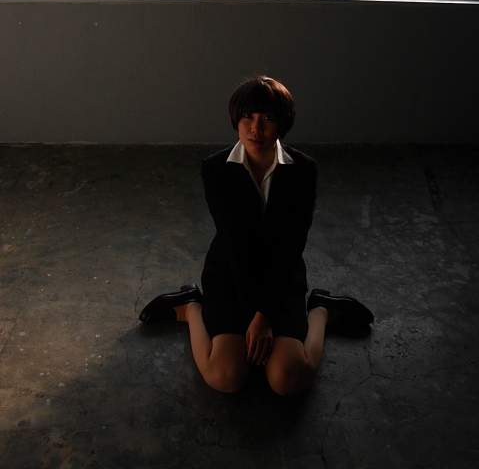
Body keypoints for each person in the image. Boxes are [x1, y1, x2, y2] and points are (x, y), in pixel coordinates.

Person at [139, 76, 373, 395]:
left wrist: (264, 318)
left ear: (281, 124)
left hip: (281, 274)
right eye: (247, 116)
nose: (255, 128)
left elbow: (292, 244)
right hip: (230, 273)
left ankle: (321, 310)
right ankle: (190, 307)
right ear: (236, 119)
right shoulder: (216, 168)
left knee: (287, 379)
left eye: (267, 118)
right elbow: (234, 243)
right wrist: (255, 318)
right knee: (225, 376)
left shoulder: (303, 169)